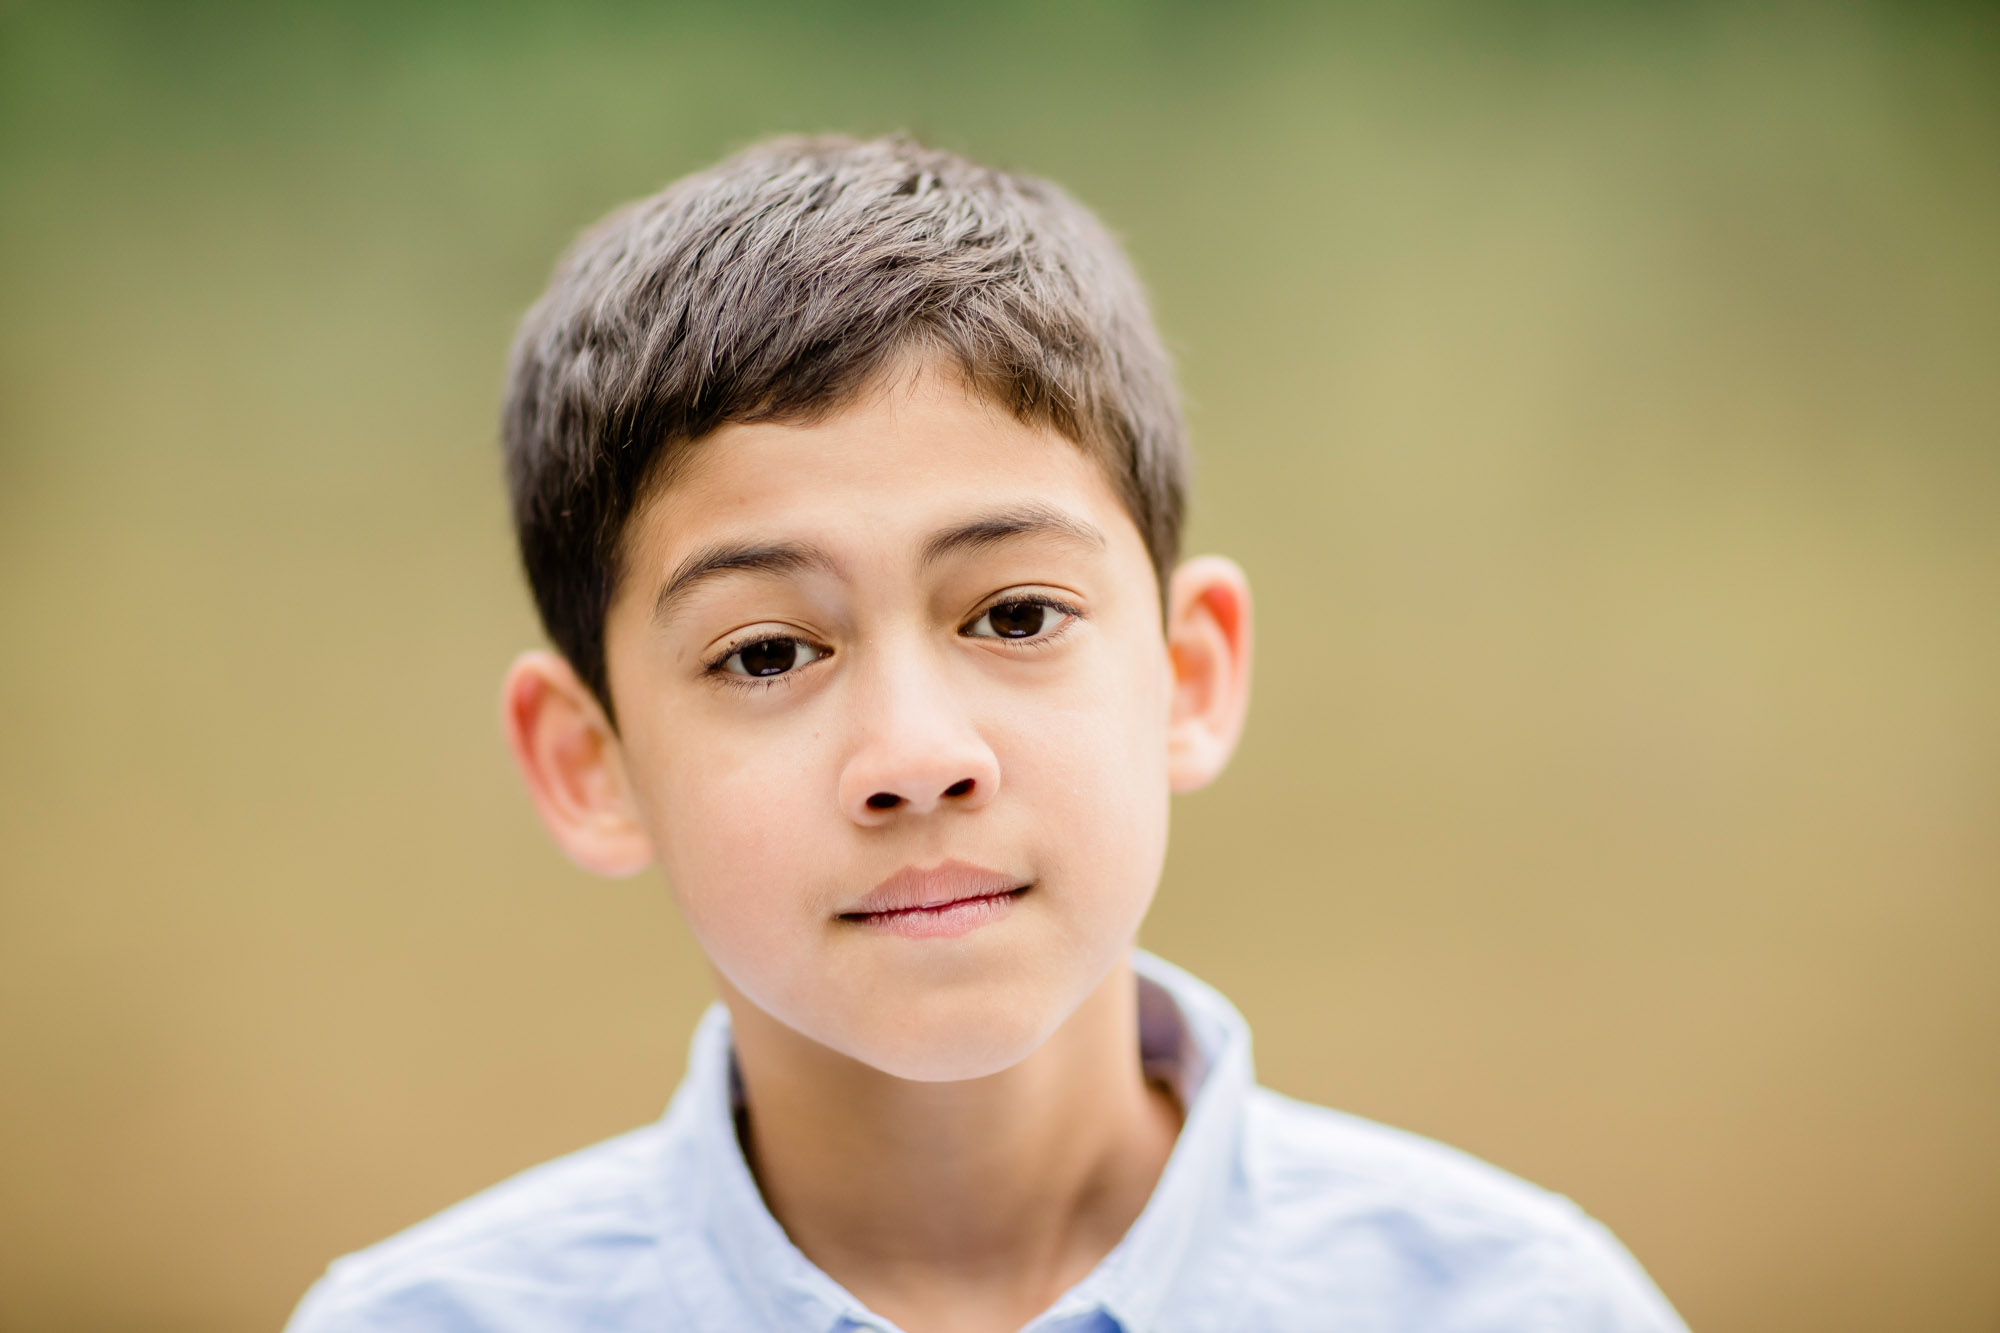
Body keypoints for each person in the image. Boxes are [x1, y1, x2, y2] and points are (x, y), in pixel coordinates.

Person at [285, 135, 1686, 1333]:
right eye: (767, 651)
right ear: (591, 763)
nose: (915, 752)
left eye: (1016, 615)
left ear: (1189, 672)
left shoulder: (1516, 1305)